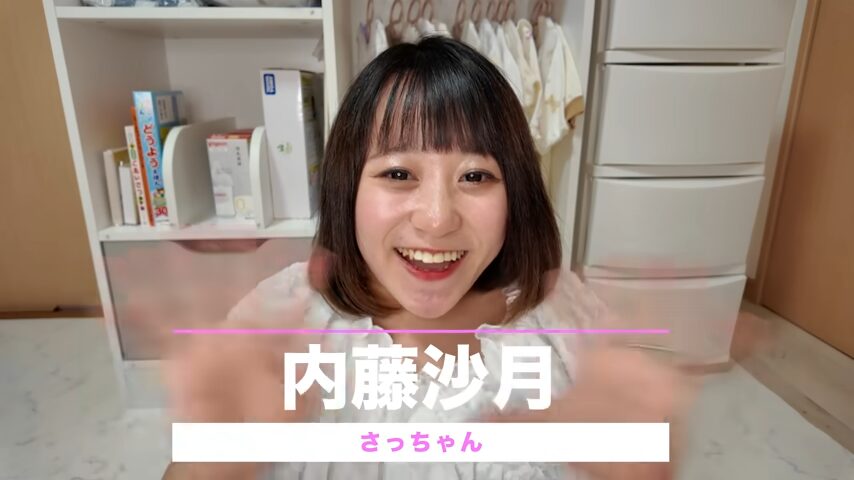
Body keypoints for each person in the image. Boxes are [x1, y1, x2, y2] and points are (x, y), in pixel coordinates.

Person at [161, 36, 689, 480]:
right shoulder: (282, 315)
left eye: (476, 176)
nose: (437, 219)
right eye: (398, 174)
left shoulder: (562, 312)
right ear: (349, 188)